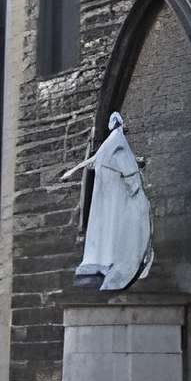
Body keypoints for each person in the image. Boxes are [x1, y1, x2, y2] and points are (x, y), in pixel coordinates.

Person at [65, 113, 154, 291]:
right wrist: (135, 188)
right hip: (116, 197)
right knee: (136, 218)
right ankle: (118, 263)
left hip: (107, 197)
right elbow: (128, 170)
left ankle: (103, 261)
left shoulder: (107, 145)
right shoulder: (119, 143)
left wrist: (73, 170)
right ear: (121, 126)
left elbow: (94, 161)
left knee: (106, 229)